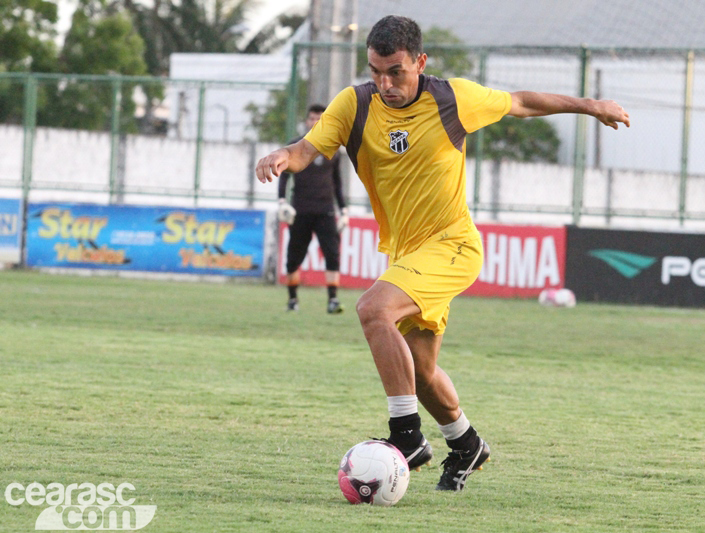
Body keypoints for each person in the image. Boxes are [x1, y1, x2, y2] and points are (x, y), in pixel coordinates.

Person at [256, 15, 630, 491]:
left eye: (396, 72)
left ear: (420, 62)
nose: (385, 83)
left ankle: (406, 438)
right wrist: (284, 156)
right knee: (423, 369)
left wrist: (591, 105)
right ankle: (466, 443)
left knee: (373, 309)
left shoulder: (452, 99)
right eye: (375, 71)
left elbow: (519, 102)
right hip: (408, 255)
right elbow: (310, 148)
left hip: (453, 245)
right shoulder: (354, 104)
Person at [277, 104, 349, 314]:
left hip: (325, 210)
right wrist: (282, 201)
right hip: (300, 209)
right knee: (294, 257)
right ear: (306, 121)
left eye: (320, 119)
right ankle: (292, 300)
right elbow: (284, 175)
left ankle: (333, 300)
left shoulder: (333, 147)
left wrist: (343, 210)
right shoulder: (295, 146)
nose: (315, 123)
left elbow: (337, 183)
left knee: (332, 254)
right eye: (312, 119)